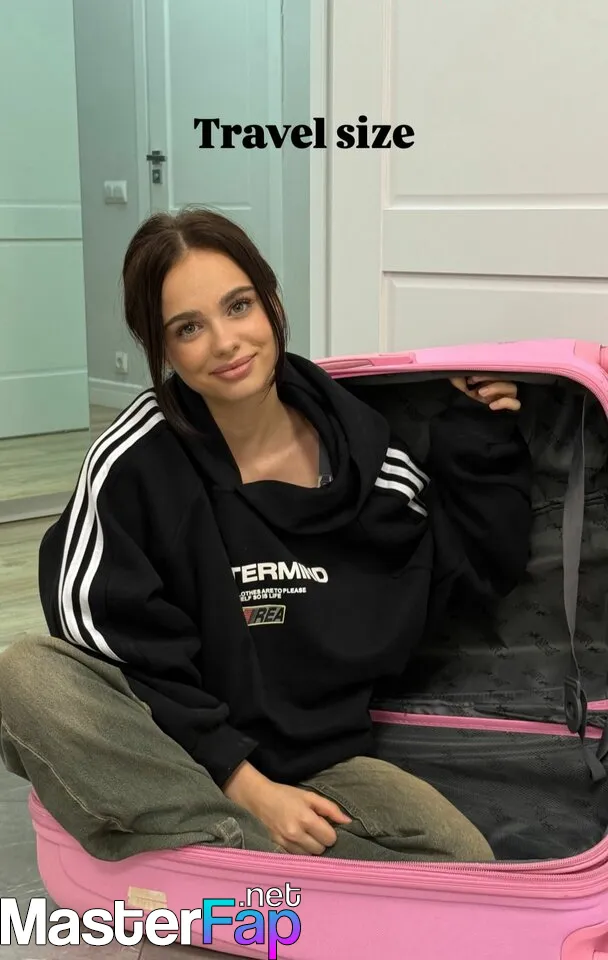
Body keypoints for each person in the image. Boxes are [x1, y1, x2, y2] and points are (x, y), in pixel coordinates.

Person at [0, 208, 532, 864]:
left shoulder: (368, 458)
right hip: (180, 752)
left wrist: (479, 440)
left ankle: (220, 854)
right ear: (162, 350)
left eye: (239, 306)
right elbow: (100, 638)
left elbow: (468, 575)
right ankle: (258, 849)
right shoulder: (135, 464)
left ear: (272, 302)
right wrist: (246, 786)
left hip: (326, 764)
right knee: (27, 676)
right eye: (188, 327)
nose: (225, 342)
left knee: (464, 859)